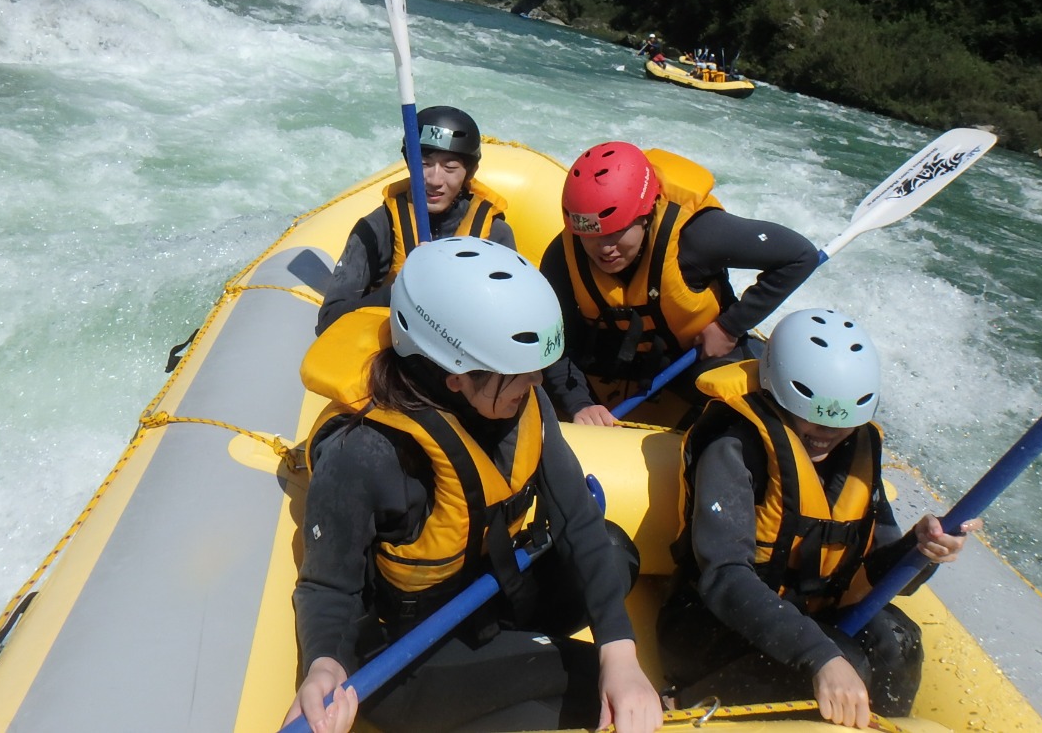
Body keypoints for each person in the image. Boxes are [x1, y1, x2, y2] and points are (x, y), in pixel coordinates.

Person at [285, 237, 664, 733]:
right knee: (586, 678)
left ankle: (511, 665)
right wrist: (325, 664)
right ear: (455, 377)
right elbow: (328, 587)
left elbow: (576, 517)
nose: (538, 383)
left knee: (614, 554)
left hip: (488, 593)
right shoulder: (363, 453)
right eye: (521, 373)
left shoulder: (520, 397)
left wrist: (620, 648)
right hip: (411, 649)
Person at [657, 309, 982, 728]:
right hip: (711, 624)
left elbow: (880, 572)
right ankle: (687, 702)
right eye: (812, 415)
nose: (825, 432)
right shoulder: (734, 447)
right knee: (841, 660)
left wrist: (920, 548)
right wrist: (820, 655)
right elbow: (725, 577)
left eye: (841, 420)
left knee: (897, 643)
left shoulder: (855, 448)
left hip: (803, 616)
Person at [539, 141, 819, 426]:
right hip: (611, 364)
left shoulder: (697, 237)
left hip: (694, 359)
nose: (604, 247)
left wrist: (729, 326)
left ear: (645, 215)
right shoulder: (563, 255)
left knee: (744, 406)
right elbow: (554, 340)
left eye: (618, 231)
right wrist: (579, 405)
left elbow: (799, 256)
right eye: (592, 234)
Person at [315, 105, 515, 335]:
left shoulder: (496, 234)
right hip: (392, 356)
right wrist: (399, 291)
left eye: (450, 167)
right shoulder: (376, 228)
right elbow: (329, 321)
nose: (434, 179)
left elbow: (509, 319)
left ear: (470, 172)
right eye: (424, 164)